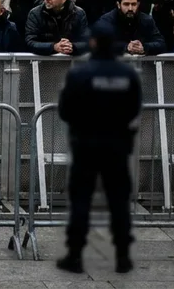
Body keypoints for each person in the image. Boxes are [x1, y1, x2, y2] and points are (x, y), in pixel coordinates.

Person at [55, 22, 142, 276]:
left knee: (81, 200)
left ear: (92, 42)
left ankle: (75, 255)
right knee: (118, 202)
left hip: (86, 145)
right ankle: (123, 256)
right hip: (116, 144)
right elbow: (134, 108)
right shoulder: (126, 74)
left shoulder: (80, 73)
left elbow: (65, 109)